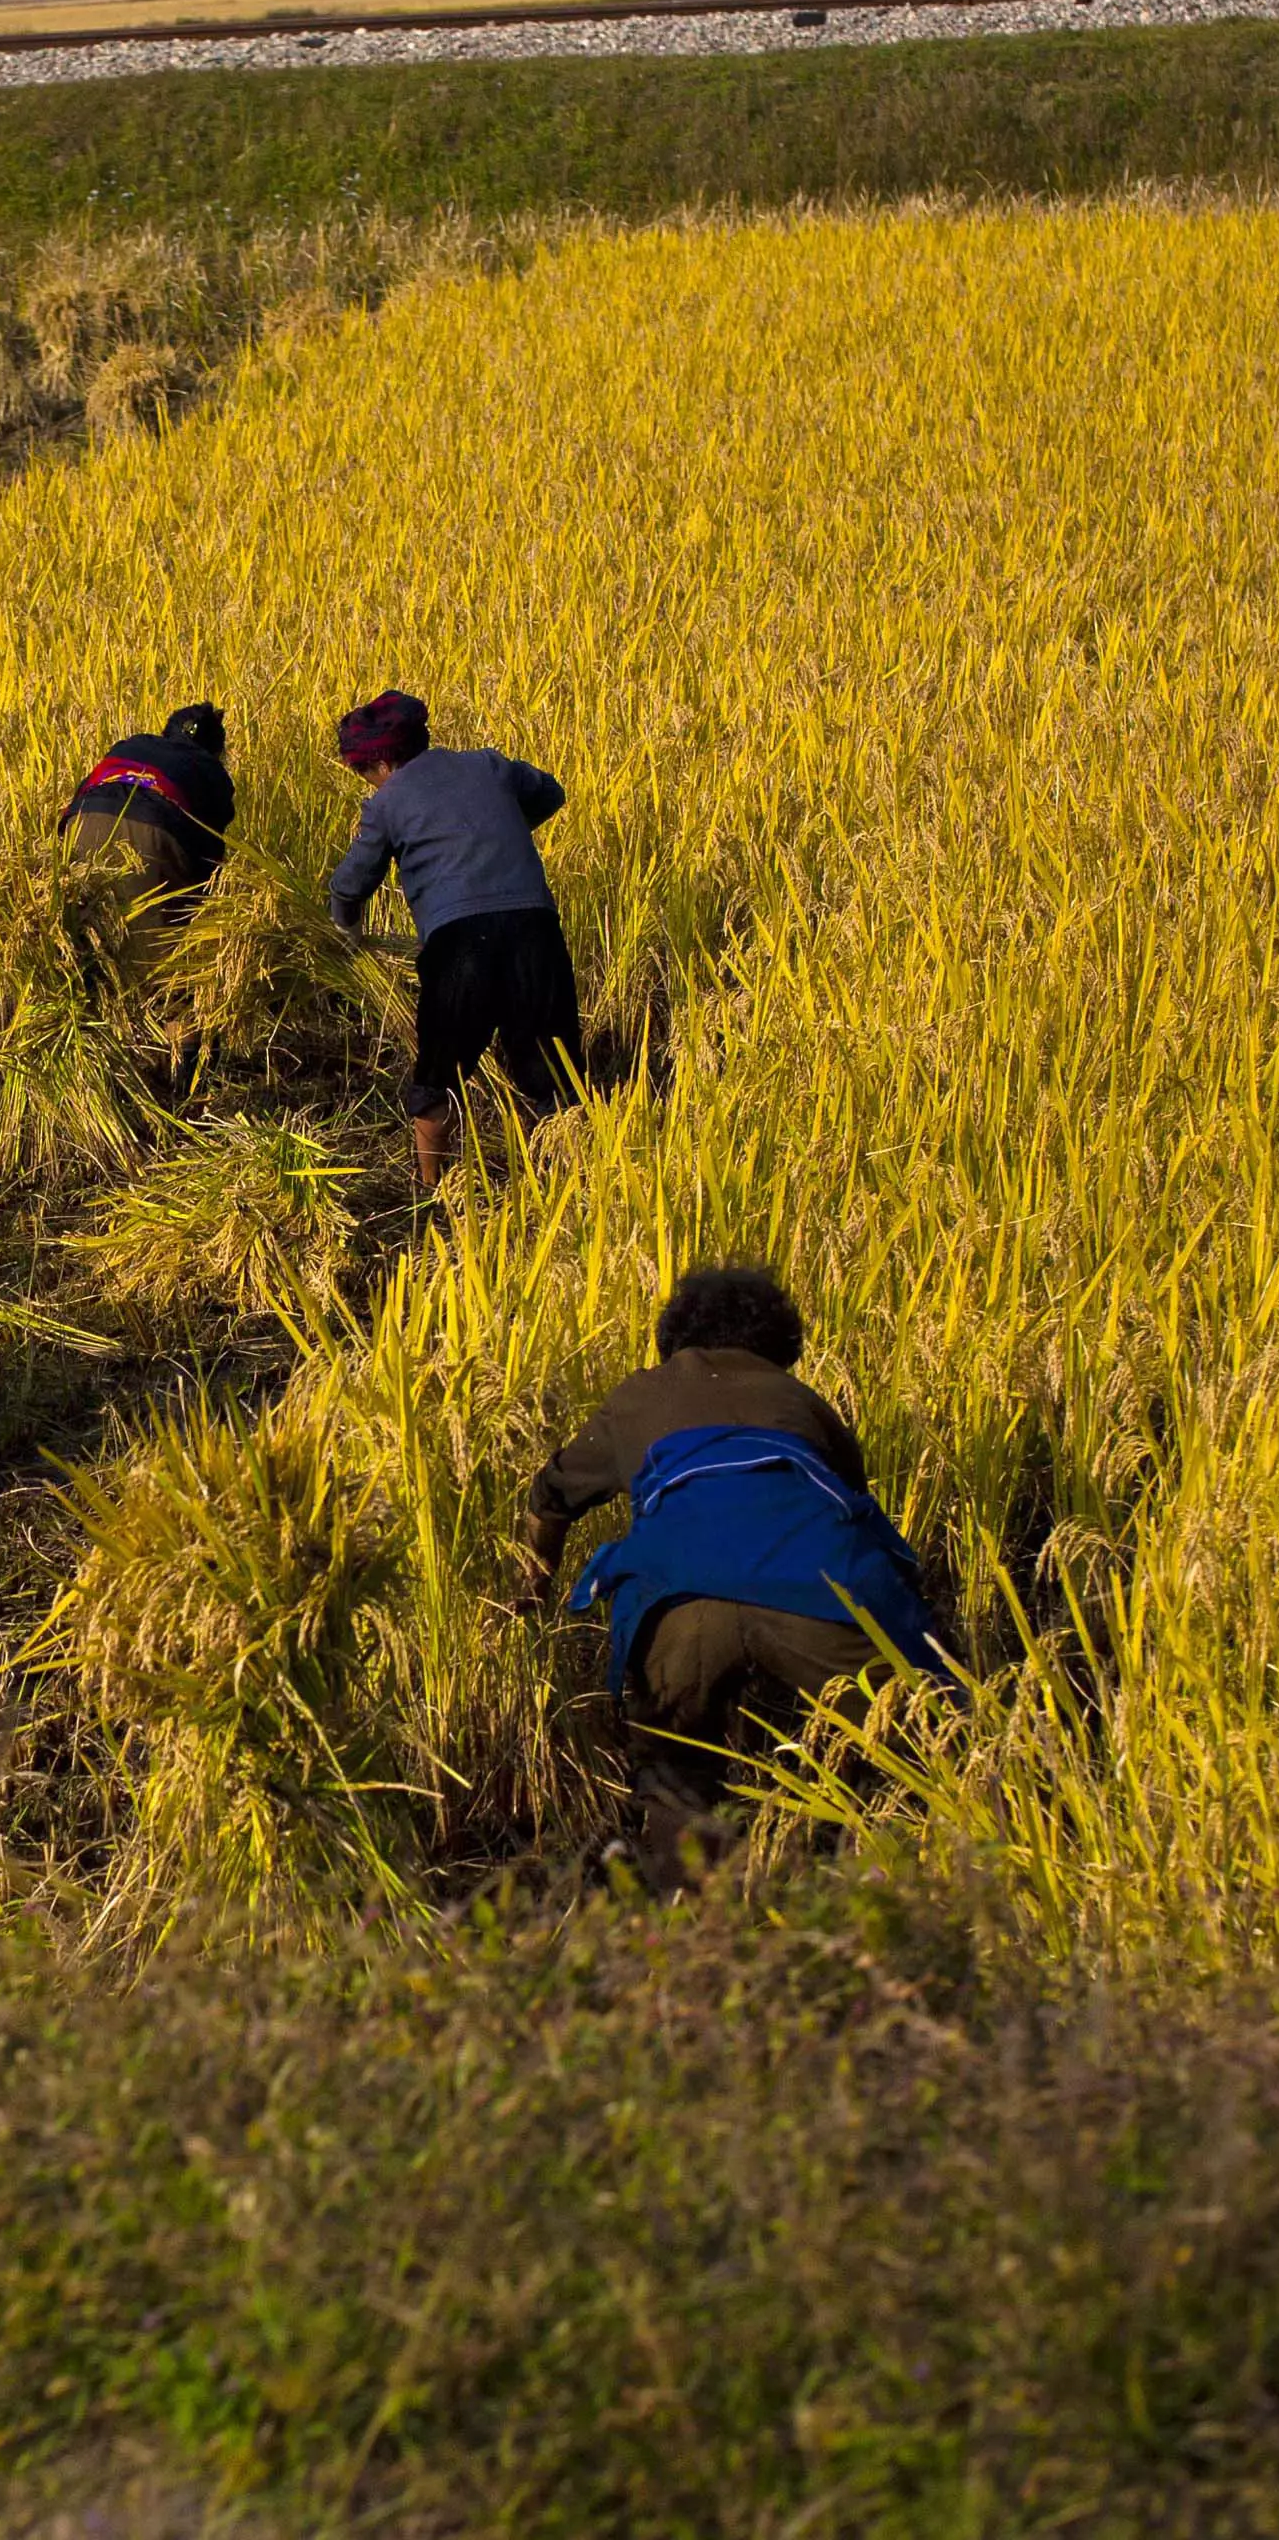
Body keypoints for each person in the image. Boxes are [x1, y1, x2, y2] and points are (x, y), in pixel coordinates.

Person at [509, 1265, 946, 1877]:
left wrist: (535, 1584)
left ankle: (694, 1930)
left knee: (676, 1778)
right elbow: (852, 1510)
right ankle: (894, 1910)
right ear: (777, 1342)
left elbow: (552, 1496)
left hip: (679, 1594)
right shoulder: (801, 1400)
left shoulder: (640, 1394)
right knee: (909, 1757)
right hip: (818, 1585)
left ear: (677, 1336)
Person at [325, 689, 581, 1192]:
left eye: (363, 772)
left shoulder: (387, 802)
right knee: (554, 1075)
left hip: (461, 948)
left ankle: (431, 1194)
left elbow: (349, 885)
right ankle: (567, 1186)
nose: (367, 781)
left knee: (437, 1080)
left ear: (380, 762)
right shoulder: (488, 766)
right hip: (536, 934)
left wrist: (347, 932)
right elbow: (551, 793)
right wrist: (495, 830)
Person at [61, 700, 237, 983]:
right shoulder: (210, 768)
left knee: (88, 923)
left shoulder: (131, 745)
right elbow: (210, 857)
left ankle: (89, 995)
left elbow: (80, 794)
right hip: (157, 830)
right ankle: (160, 1006)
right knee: (158, 950)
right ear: (216, 750)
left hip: (82, 823)